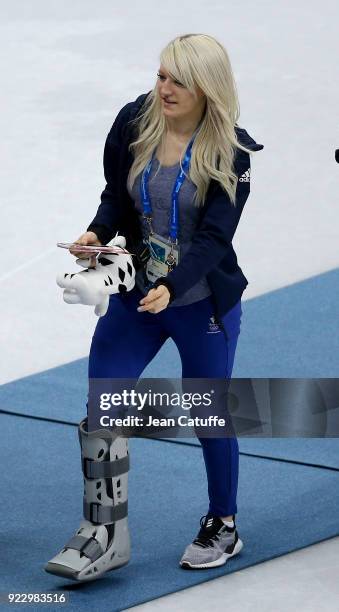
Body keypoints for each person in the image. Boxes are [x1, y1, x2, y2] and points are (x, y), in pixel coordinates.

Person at [45, 33, 263, 581]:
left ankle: (224, 523)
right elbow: (116, 196)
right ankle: (105, 529)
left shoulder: (230, 152)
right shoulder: (134, 120)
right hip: (138, 295)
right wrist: (96, 233)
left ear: (205, 89)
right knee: (104, 407)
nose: (162, 88)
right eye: (161, 75)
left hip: (198, 301)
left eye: (177, 81)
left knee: (210, 415)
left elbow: (215, 237)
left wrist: (177, 283)